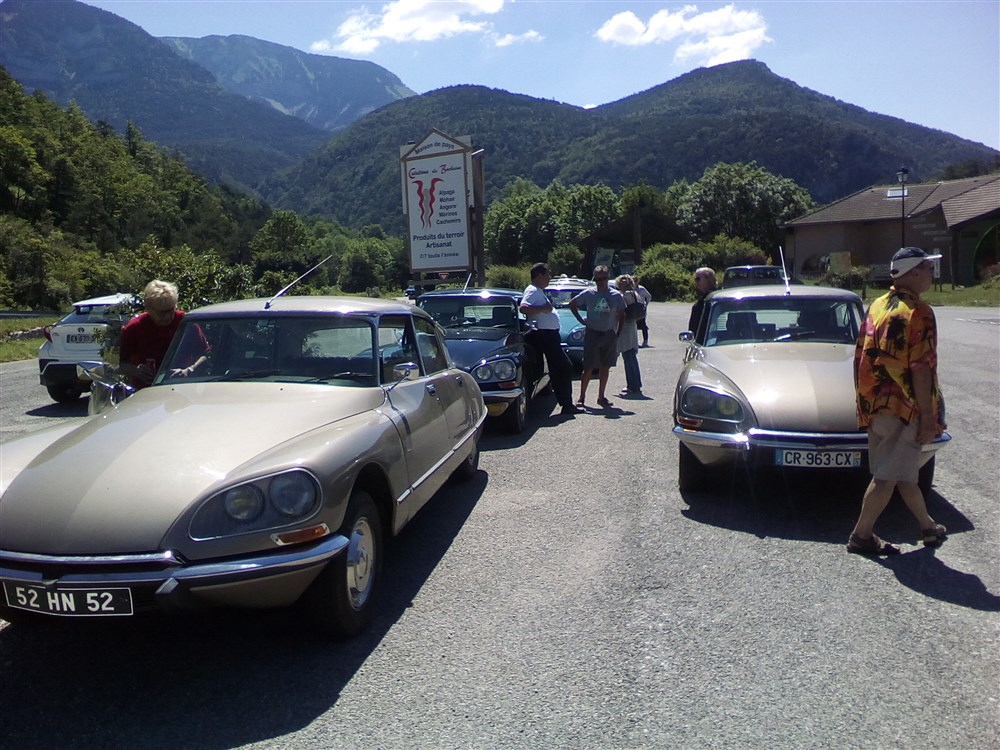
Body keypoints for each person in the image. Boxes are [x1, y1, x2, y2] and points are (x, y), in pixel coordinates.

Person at [847, 247, 948, 555]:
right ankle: (861, 535)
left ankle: (928, 527)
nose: (931, 273)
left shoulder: (878, 305)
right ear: (913, 273)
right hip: (903, 408)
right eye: (927, 268)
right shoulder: (918, 312)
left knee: (902, 471)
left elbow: (860, 355)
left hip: (875, 405)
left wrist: (863, 403)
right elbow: (920, 369)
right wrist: (928, 417)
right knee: (886, 477)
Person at [119, 279, 206, 389]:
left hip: (182, 387)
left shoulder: (185, 323)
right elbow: (118, 364)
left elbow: (205, 354)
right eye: (162, 313)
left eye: (171, 310)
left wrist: (189, 370)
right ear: (149, 309)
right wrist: (135, 370)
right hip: (146, 390)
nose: (168, 316)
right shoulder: (134, 328)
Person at [520, 263, 580, 416]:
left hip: (549, 335)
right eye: (547, 275)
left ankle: (566, 403)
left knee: (558, 368)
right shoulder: (532, 290)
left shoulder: (538, 291)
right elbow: (524, 307)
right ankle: (566, 404)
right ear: (539, 276)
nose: (549, 278)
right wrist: (544, 309)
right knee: (564, 366)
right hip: (543, 335)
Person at [569, 265, 625, 408]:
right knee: (588, 366)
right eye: (597, 279)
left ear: (608, 277)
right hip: (592, 332)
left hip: (609, 333)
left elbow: (622, 314)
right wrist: (581, 320)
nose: (600, 282)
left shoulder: (616, 295)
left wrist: (618, 332)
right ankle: (581, 397)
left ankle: (601, 396)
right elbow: (573, 303)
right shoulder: (589, 293)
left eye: (603, 278)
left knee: (605, 366)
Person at [615, 274, 643, 397]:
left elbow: (619, 310)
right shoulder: (635, 294)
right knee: (631, 356)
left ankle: (632, 385)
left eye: (623, 283)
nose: (621, 284)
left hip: (625, 326)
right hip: (632, 325)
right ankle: (636, 384)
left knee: (628, 357)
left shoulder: (625, 296)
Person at [688, 267, 717, 334]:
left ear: (708, 279)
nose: (696, 282)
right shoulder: (700, 304)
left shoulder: (721, 299)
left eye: (698, 279)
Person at [635, 280, 652, 347]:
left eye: (635, 281)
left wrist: (646, 304)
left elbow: (648, 296)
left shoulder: (641, 289)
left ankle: (645, 341)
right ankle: (635, 342)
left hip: (641, 308)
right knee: (634, 326)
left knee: (643, 325)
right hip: (633, 309)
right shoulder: (629, 289)